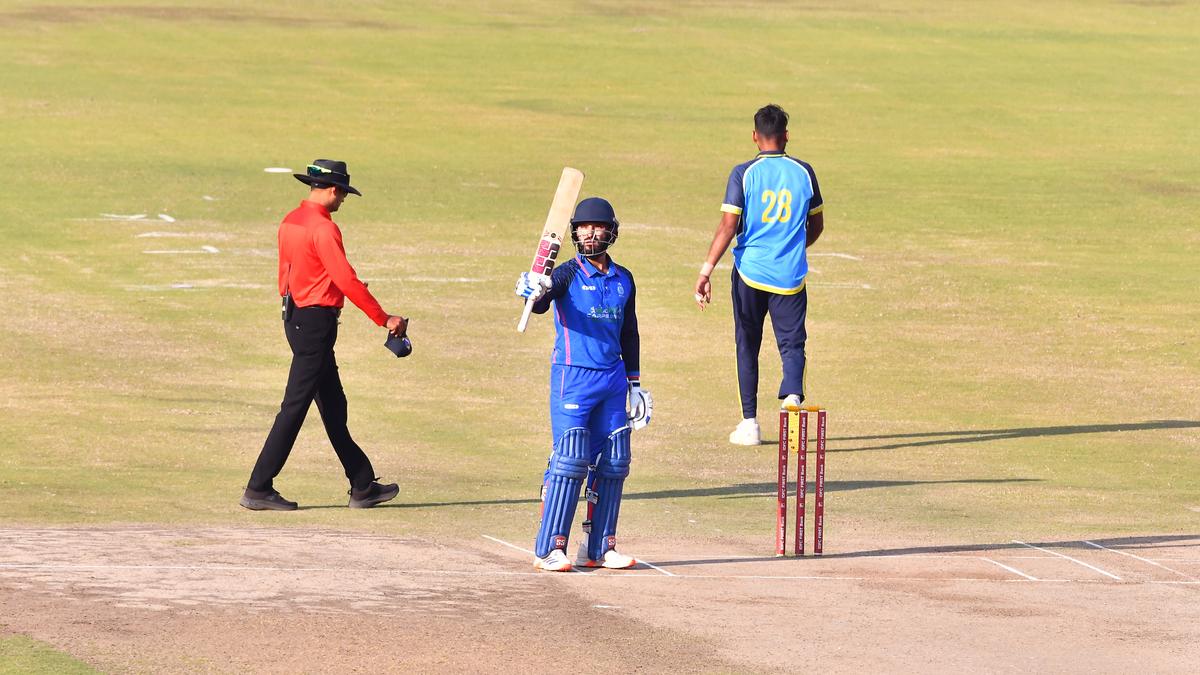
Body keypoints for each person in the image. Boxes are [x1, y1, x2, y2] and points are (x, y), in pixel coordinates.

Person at [240, 159, 407, 511]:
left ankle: (362, 484)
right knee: (294, 407)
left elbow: (294, 273)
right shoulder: (324, 228)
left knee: (333, 406)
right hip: (315, 325)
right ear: (332, 190)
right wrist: (384, 318)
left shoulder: (290, 221)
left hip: (296, 316)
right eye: (343, 193)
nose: (343, 200)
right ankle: (258, 487)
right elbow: (345, 279)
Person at [514, 197, 653, 572]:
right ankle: (549, 548)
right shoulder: (566, 273)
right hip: (572, 376)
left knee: (614, 460)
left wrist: (635, 384)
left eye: (597, 226)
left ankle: (599, 547)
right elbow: (544, 300)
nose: (589, 232)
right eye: (583, 227)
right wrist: (535, 289)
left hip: (612, 379)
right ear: (574, 232)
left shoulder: (624, 278)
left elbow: (630, 332)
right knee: (572, 457)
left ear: (611, 231)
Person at [694, 104, 824, 445]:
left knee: (747, 344)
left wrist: (706, 271)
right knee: (792, 344)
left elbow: (728, 225)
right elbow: (817, 224)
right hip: (790, 275)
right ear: (785, 136)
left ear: (755, 136)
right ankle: (792, 397)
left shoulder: (743, 173)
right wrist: (792, 246)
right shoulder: (804, 172)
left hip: (749, 273)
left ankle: (749, 423)